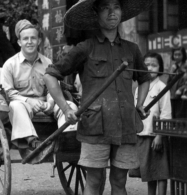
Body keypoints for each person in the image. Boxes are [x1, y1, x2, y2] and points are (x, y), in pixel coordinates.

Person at [43, 0, 152, 194]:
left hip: (126, 125)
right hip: (95, 127)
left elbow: (144, 78)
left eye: (116, 7)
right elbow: (50, 75)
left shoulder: (132, 49)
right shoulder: (85, 48)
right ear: (96, 14)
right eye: (105, 8)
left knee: (119, 181)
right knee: (94, 180)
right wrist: (66, 109)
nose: (112, 12)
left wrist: (140, 103)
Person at [1, 19, 78, 151]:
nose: (29, 42)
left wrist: (50, 102)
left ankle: (68, 137)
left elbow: (52, 87)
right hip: (23, 105)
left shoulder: (47, 62)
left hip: (46, 104)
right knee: (15, 105)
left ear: (39, 41)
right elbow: (9, 93)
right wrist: (28, 101)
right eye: (25, 39)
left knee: (70, 105)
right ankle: (31, 140)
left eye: (33, 38)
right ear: (19, 42)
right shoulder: (10, 65)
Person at [134, 52, 171, 195]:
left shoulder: (162, 87)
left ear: (160, 67)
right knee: (149, 170)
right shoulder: (139, 88)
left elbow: (166, 114)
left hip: (156, 135)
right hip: (143, 134)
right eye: (147, 65)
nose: (150, 68)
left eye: (154, 65)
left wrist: (160, 135)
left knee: (161, 170)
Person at [168, 47, 187, 118]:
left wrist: (181, 89)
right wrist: (172, 71)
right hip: (173, 94)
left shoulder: (185, 65)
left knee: (181, 115)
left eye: (179, 54)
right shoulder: (173, 65)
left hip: (183, 95)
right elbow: (169, 79)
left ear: (183, 55)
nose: (177, 56)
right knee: (173, 114)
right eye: (175, 54)